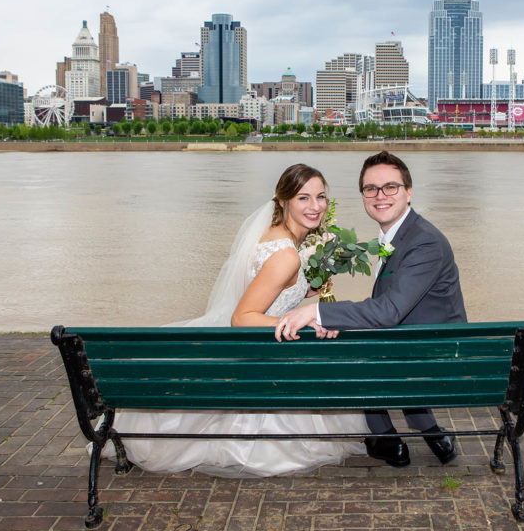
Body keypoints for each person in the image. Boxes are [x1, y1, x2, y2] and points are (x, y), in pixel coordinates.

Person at [100, 163, 367, 477]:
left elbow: (271, 289)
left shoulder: (276, 237)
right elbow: (242, 317)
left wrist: (304, 288)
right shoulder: (287, 255)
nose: (316, 206)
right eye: (303, 198)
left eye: (320, 197)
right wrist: (298, 320)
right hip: (258, 349)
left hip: (251, 341)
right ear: (283, 202)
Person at [276, 151, 466, 468]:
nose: (380, 196)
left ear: (409, 192)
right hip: (423, 345)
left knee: (346, 349)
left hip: (432, 357)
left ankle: (386, 439)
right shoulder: (403, 234)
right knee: (358, 337)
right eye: (370, 189)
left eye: (390, 187)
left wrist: (316, 313)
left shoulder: (425, 243)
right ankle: (433, 434)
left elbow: (388, 312)